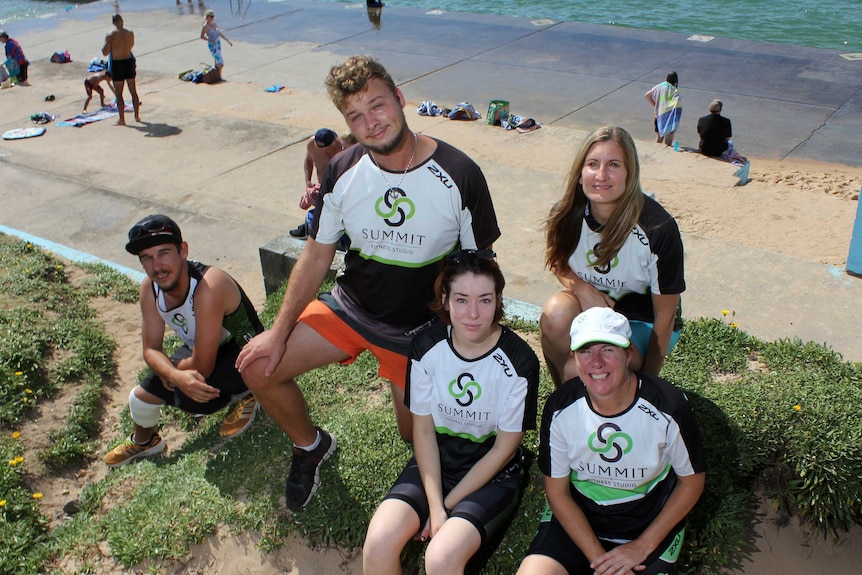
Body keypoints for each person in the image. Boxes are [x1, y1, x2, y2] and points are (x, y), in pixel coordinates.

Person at [236, 55, 500, 511]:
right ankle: (310, 446)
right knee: (258, 366)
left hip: (417, 330)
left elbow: (482, 269)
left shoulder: (460, 174)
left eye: (377, 106)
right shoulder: (341, 169)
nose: (370, 123)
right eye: (354, 116)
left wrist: (474, 346)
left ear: (399, 99)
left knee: (412, 433)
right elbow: (317, 253)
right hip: (351, 308)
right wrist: (277, 334)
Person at [363, 250, 539, 575]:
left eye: (485, 300)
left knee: (441, 558)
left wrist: (446, 506)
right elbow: (424, 430)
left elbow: (504, 448)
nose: (473, 313)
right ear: (444, 300)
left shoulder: (520, 362)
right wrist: (434, 503)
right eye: (461, 299)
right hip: (435, 466)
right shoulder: (426, 347)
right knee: (378, 542)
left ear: (498, 300)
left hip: (493, 477)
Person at [517, 307, 706, 575]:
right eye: (585, 350)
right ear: (574, 356)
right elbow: (558, 493)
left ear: (629, 354)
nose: (596, 362)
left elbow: (691, 482)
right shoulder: (560, 407)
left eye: (608, 349)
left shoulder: (668, 407)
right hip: (580, 521)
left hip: (646, 527)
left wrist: (641, 546)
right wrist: (601, 561)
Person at [104, 214, 264, 468]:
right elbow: (150, 349)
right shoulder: (149, 287)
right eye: (147, 258)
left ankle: (252, 393)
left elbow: (202, 367)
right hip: (200, 350)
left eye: (164, 253)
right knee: (141, 398)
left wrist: (173, 373)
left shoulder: (208, 286)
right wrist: (174, 375)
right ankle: (146, 442)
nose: (157, 266)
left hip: (246, 352)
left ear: (183, 250)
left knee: (193, 399)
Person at [540, 126, 685, 387]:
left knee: (580, 369)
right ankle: (564, 397)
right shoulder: (565, 215)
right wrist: (580, 288)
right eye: (593, 164)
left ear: (630, 173)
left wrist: (650, 386)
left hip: (642, 321)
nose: (602, 175)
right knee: (555, 316)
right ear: (580, 172)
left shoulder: (658, 230)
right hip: (591, 311)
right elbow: (559, 262)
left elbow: (666, 318)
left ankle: (620, 392)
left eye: (614, 164)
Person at [289, 128, 346, 240]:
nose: (323, 152)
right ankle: (308, 227)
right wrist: (308, 181)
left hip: (338, 186)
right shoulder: (311, 144)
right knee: (319, 209)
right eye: (320, 148)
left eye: (326, 148)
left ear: (334, 141)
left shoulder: (342, 148)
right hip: (321, 185)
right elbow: (308, 161)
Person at [102, 14, 141, 125]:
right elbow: (131, 46)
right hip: (128, 61)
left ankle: (122, 119)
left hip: (118, 63)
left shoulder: (110, 35)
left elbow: (105, 52)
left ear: (114, 23)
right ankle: (137, 116)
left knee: (119, 94)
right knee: (133, 91)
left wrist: (110, 44)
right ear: (122, 21)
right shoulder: (130, 33)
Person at [645, 72, 681, 146]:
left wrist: (655, 105)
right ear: (676, 81)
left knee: (658, 140)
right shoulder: (674, 91)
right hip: (670, 119)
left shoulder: (659, 86)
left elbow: (647, 95)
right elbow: (677, 107)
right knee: (668, 143)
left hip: (658, 116)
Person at [201, 10, 233, 76]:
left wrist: (228, 41)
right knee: (221, 62)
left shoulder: (214, 24)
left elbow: (219, 33)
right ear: (207, 17)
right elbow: (201, 37)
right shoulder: (205, 27)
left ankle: (217, 76)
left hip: (218, 44)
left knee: (217, 62)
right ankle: (219, 77)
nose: (213, 18)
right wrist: (210, 40)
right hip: (212, 45)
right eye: (211, 17)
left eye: (213, 16)